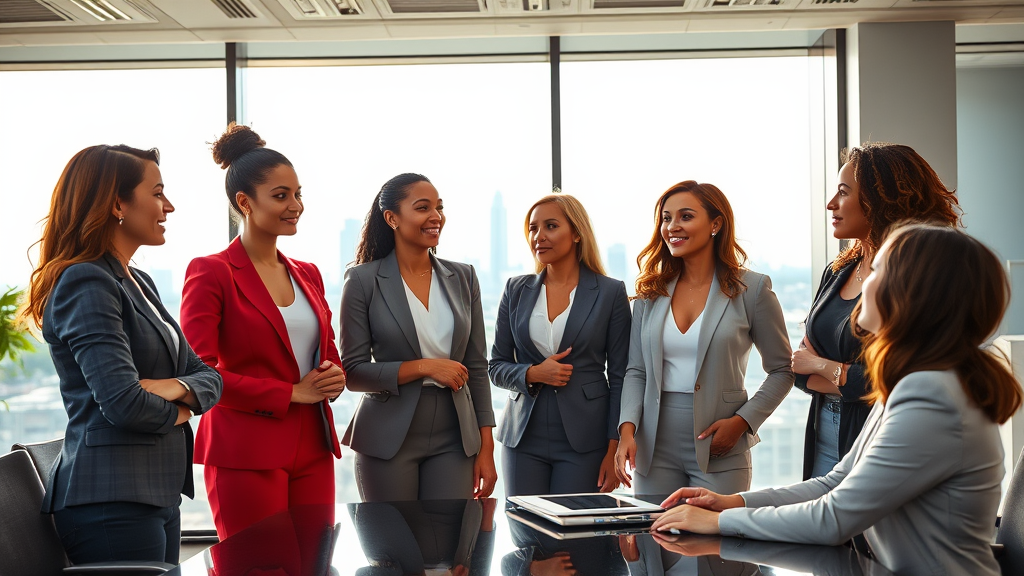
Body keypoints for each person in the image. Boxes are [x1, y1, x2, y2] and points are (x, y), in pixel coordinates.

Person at [653, 223, 1022, 576]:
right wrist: (733, 502)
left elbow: (835, 518)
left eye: (876, 270)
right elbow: (834, 483)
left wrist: (718, 523)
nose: (863, 282)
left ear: (912, 292)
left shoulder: (933, 394)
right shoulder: (913, 381)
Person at [26, 145, 222, 564]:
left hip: (154, 493)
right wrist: (183, 411)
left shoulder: (140, 282)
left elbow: (208, 374)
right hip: (110, 502)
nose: (169, 206)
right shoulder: (87, 281)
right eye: (157, 193)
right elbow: (123, 403)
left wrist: (171, 386)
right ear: (118, 203)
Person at [180, 124, 346, 539]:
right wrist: (291, 392)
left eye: (298, 193)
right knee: (258, 566)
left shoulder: (308, 273)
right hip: (245, 448)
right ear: (244, 202)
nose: (296, 205)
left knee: (315, 564)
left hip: (313, 445)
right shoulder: (211, 272)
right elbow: (200, 372)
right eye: (281, 195)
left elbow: (325, 352)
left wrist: (334, 376)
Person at [792, 142, 962, 480]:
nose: (831, 204)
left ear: (878, 199)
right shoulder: (838, 270)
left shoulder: (914, 276)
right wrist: (843, 374)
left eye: (843, 193)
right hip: (823, 428)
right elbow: (798, 368)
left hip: (879, 433)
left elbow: (892, 379)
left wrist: (823, 366)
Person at [614, 181, 793, 495]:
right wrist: (626, 431)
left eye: (685, 216)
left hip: (720, 447)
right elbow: (636, 370)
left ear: (715, 224)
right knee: (655, 540)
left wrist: (742, 422)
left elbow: (782, 370)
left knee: (712, 542)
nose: (672, 227)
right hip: (654, 447)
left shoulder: (752, 289)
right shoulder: (650, 292)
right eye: (666, 218)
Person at [340, 173, 496, 501]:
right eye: (423, 207)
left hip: (456, 434)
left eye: (439, 207)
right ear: (392, 218)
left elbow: (477, 368)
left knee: (448, 548)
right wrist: (424, 367)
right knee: (394, 548)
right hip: (388, 434)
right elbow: (352, 372)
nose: (435, 216)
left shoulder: (463, 277)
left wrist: (486, 448)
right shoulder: (362, 280)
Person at [489, 193, 630, 496]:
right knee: (526, 532)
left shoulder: (609, 292)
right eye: (533, 228)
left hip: (585, 441)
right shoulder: (516, 289)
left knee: (574, 539)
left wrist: (613, 448)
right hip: (523, 438)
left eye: (551, 226)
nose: (539, 236)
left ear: (577, 233)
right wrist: (532, 374)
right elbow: (496, 365)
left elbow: (621, 377)